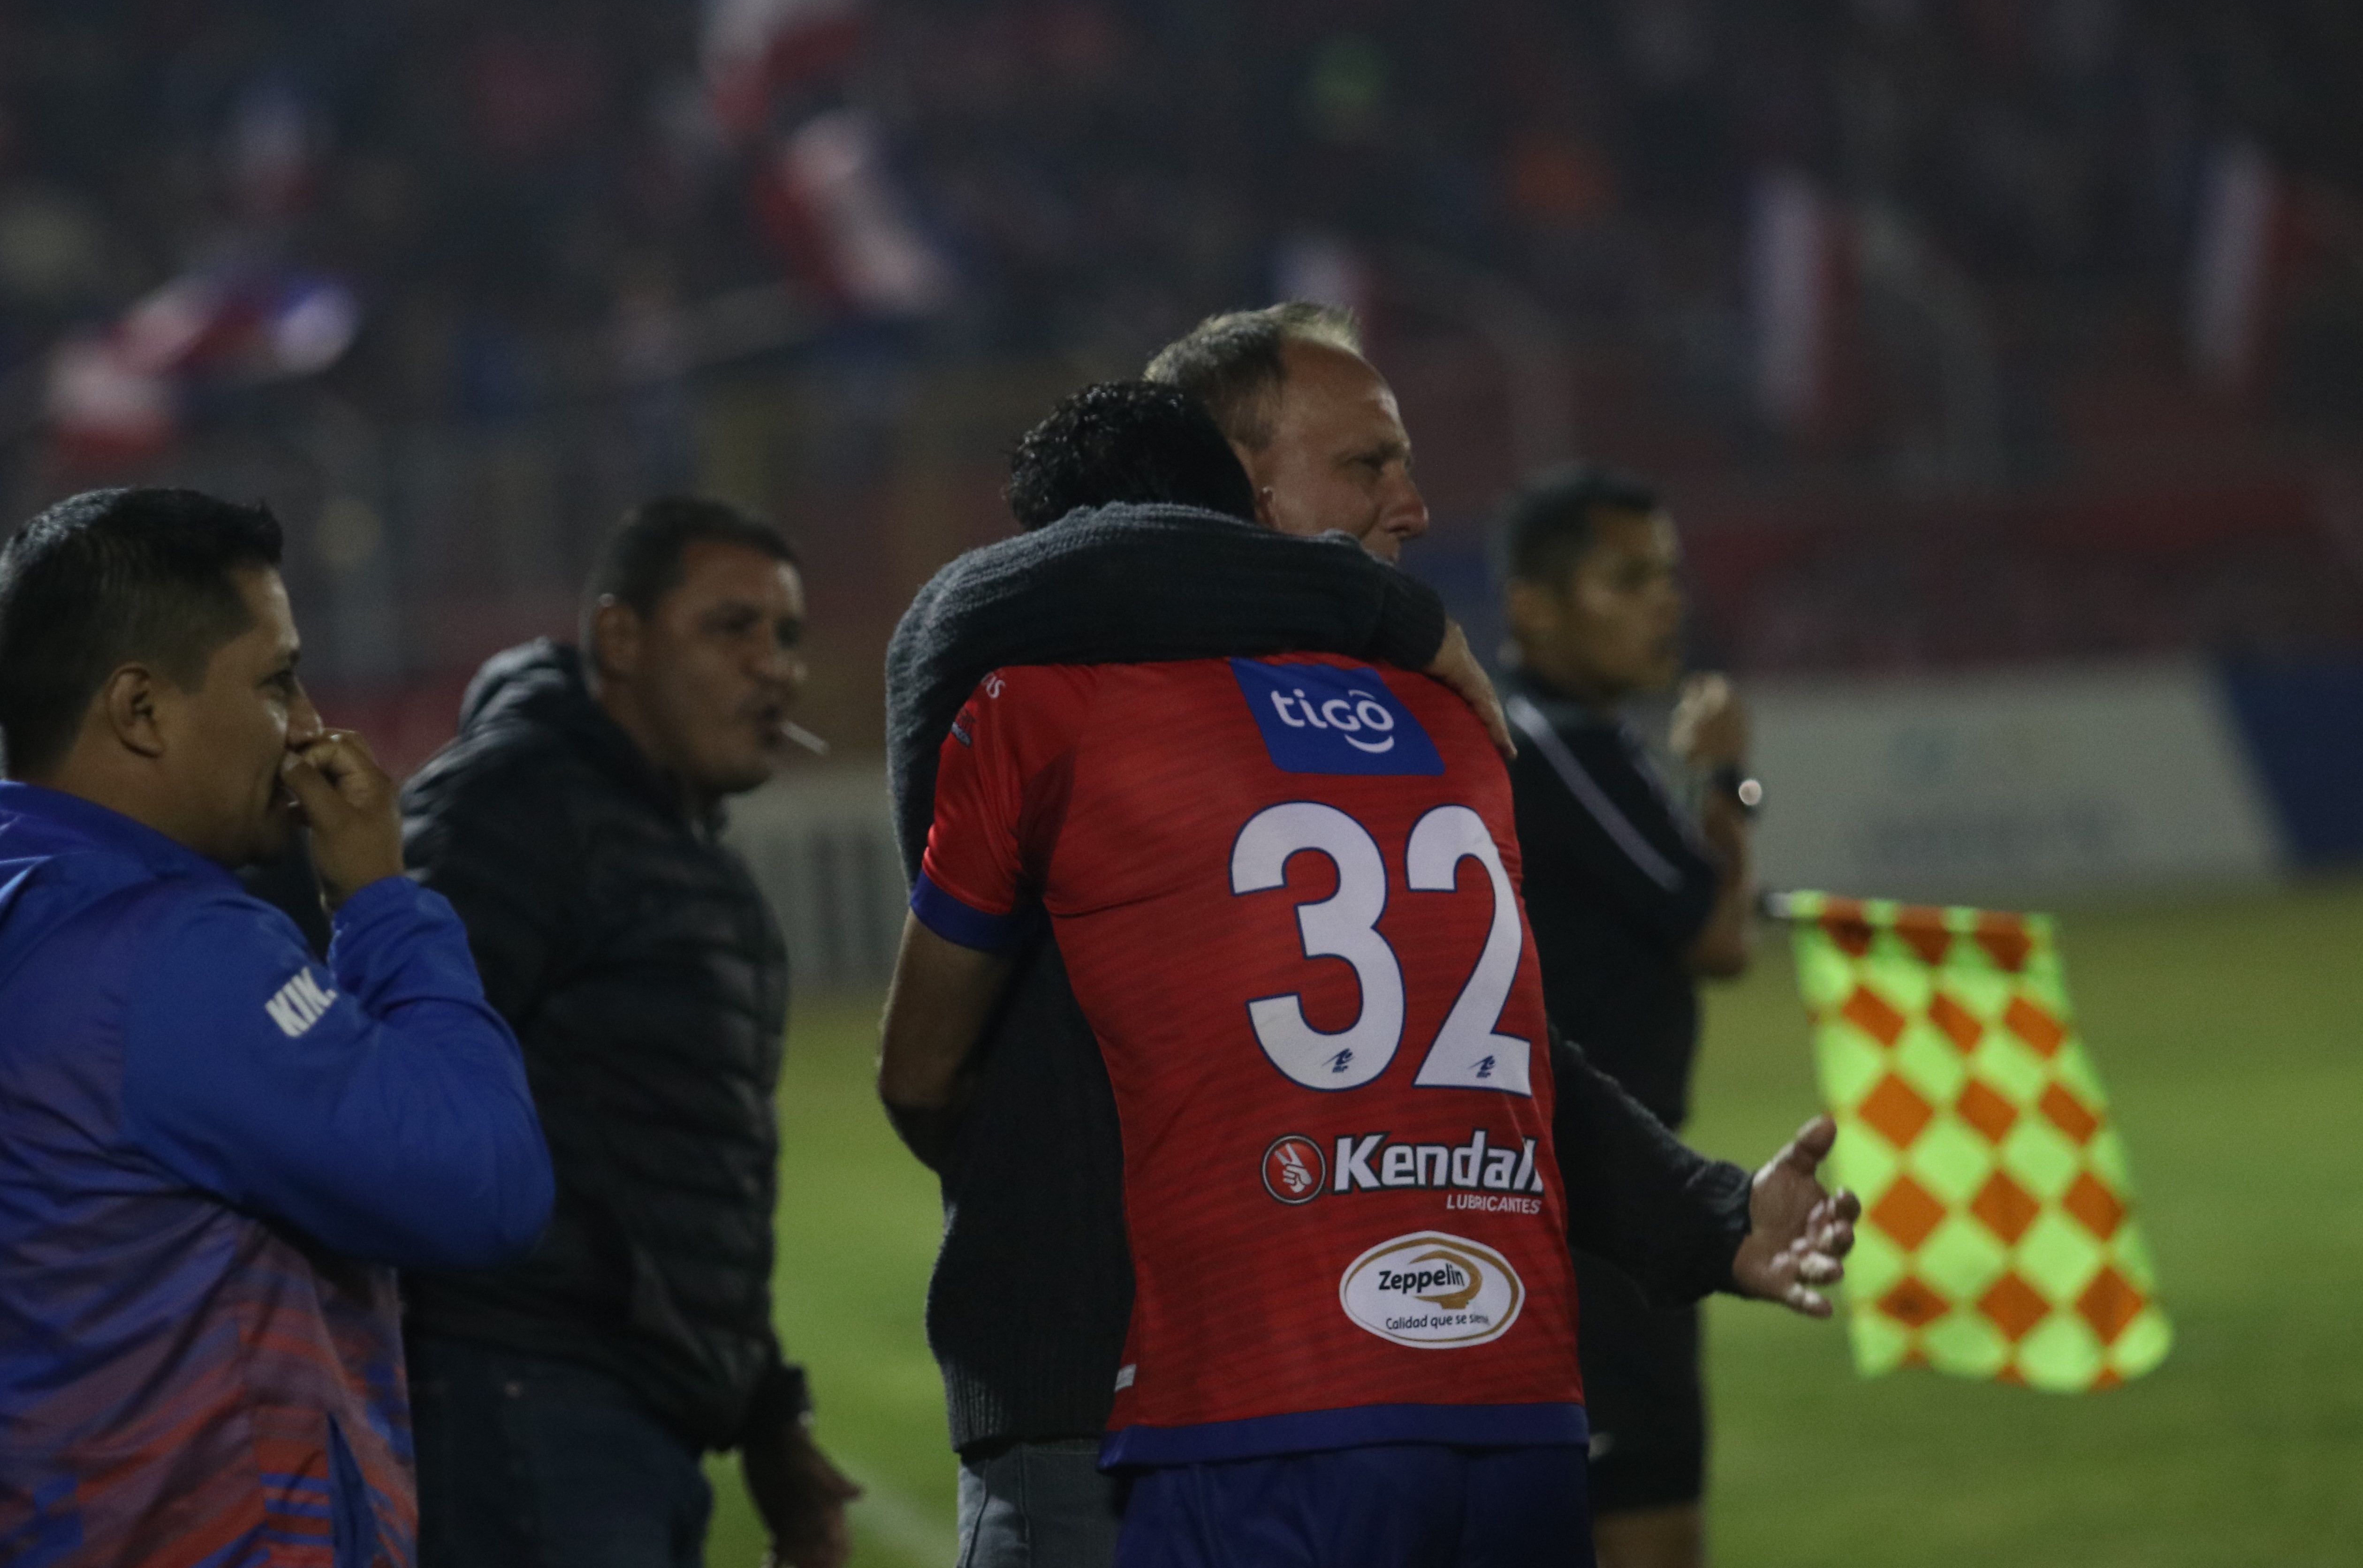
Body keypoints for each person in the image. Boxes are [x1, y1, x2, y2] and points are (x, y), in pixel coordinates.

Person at [884, 323, 1856, 1565]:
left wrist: (1701, 1210)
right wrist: (1361, 600)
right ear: (1235, 480)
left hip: (1363, 1394)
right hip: (1111, 1409)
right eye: (1365, 464)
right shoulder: (1046, 673)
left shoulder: (1389, 716)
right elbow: (989, 598)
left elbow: (1472, 1043)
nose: (1412, 504)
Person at [885, 373, 1513, 1564]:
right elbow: (1075, 572)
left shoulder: (1117, 705)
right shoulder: (1000, 651)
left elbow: (919, 1078)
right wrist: (1387, 609)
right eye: (1367, 467)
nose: (1406, 508)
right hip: (1167, 1393)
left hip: (1229, 1391)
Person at [0, 487, 553, 1568]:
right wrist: (383, 902)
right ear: (142, 709)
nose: (308, 724)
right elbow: (485, 1182)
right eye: (276, 679)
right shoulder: (165, 951)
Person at [397, 498, 857, 1568]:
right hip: (521, 1392)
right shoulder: (517, 803)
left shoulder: (689, 855)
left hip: (623, 1414)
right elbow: (404, 1087)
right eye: (730, 626)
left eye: (785, 635)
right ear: (620, 637)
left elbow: (671, 1184)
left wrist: (767, 1416)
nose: (773, 666)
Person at [1497, 466, 1760, 1568]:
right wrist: (1730, 779)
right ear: (1534, 607)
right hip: (1595, 1200)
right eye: (1625, 578)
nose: (1663, 601)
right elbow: (1718, 938)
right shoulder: (1561, 742)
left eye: (1665, 576)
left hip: (1529, 1185)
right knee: (1645, 1526)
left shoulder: (1537, 734)